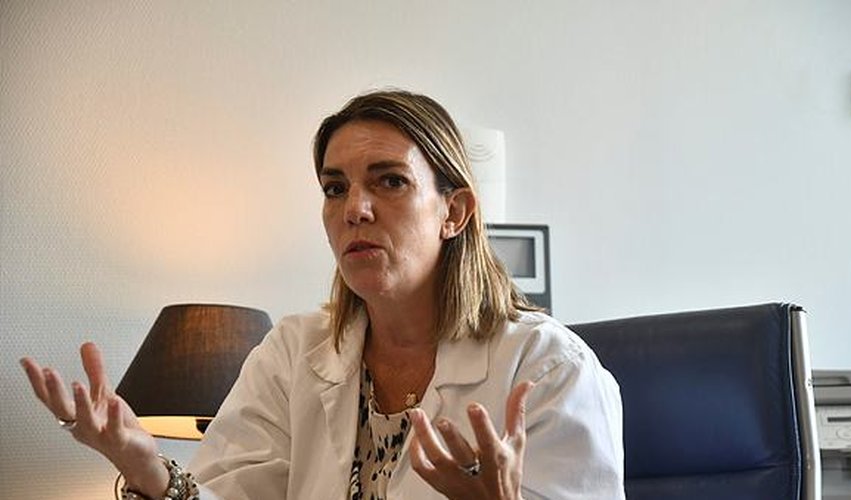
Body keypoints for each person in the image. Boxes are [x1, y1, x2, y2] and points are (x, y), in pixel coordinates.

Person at [21, 89, 625, 500]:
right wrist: (148, 469)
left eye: (390, 181)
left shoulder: (549, 368)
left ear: (454, 211)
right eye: (335, 188)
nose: (354, 209)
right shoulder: (292, 351)